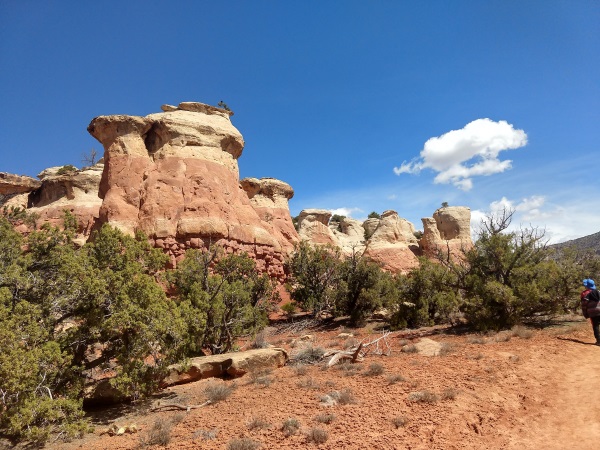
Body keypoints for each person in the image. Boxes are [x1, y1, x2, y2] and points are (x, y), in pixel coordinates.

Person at [580, 278, 600, 345]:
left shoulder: (586, 294)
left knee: (596, 326)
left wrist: (585, 314)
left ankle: (599, 341)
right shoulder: (599, 292)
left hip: (593, 312)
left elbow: (584, 305)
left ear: (587, 286)